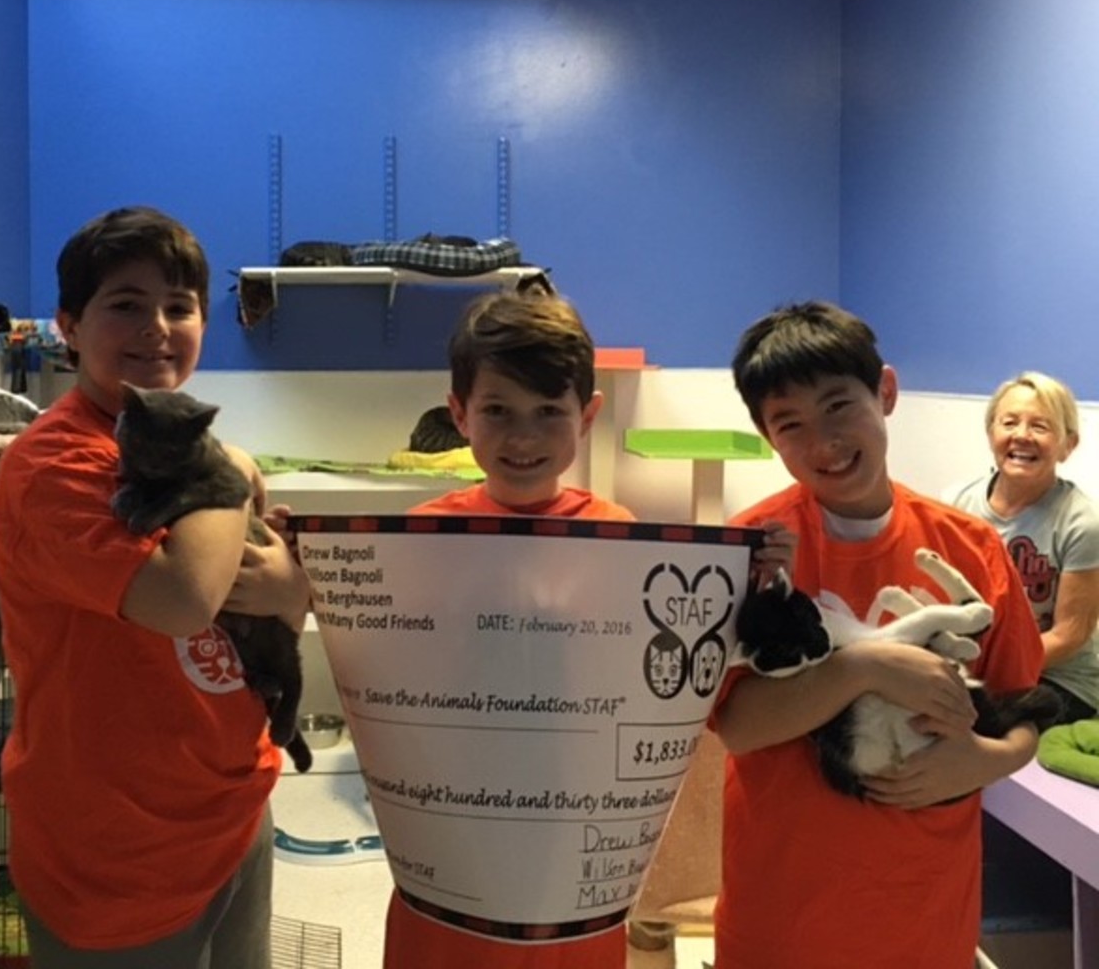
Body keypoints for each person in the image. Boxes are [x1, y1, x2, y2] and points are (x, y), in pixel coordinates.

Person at [0, 206, 309, 967]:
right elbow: (182, 601)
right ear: (68, 324)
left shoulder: (198, 450)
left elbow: (272, 602)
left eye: (179, 306)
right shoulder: (54, 465)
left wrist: (289, 590)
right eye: (124, 304)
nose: (157, 327)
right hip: (117, 847)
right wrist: (232, 472)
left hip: (229, 804)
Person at [711, 300, 1044, 969]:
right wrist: (865, 668)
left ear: (884, 392)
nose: (824, 442)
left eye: (839, 406)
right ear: (766, 436)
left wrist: (991, 759)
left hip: (924, 912)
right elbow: (738, 725)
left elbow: (1024, 706)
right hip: (784, 915)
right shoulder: (750, 553)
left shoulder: (970, 545)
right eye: (790, 424)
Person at [382, 279, 633, 969]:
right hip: (449, 835)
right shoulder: (415, 540)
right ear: (458, 413)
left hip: (573, 839)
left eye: (549, 410)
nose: (524, 436)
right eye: (498, 409)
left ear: (588, 415)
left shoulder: (625, 544)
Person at [947, 371, 1099, 722]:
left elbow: (1069, 636)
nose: (1021, 436)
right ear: (991, 434)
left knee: (974, 723)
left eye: (1041, 427)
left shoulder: (1081, 521)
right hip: (979, 663)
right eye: (1009, 422)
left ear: (1068, 445)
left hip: (1060, 678)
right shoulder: (955, 502)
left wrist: (991, 671)